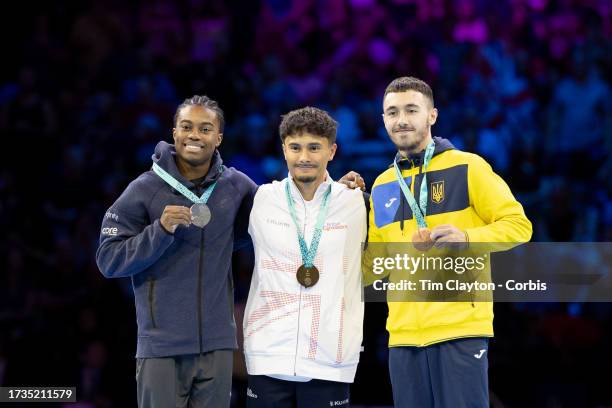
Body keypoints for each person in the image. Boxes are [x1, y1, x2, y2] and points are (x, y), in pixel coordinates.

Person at [96, 96, 365, 408]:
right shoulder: (144, 188)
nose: (195, 135)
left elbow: (295, 209)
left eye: (205, 128)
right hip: (162, 344)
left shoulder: (237, 187)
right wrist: (159, 231)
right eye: (187, 127)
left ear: (218, 137)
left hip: (218, 348)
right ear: (174, 132)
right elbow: (108, 259)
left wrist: (334, 192)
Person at [367, 77, 532, 407]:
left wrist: (468, 237)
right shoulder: (383, 184)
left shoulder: (468, 166)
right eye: (392, 112)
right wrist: (338, 215)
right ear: (383, 119)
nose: (401, 120)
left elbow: (519, 226)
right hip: (402, 335)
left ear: (432, 115)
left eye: (412, 110)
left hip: (460, 328)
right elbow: (372, 267)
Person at [243, 107, 367, 407]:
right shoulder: (261, 198)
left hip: (331, 358)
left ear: (332, 151)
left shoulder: (358, 203)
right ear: (284, 149)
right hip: (267, 355)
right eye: (295, 147)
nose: (304, 157)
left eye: (314, 148)